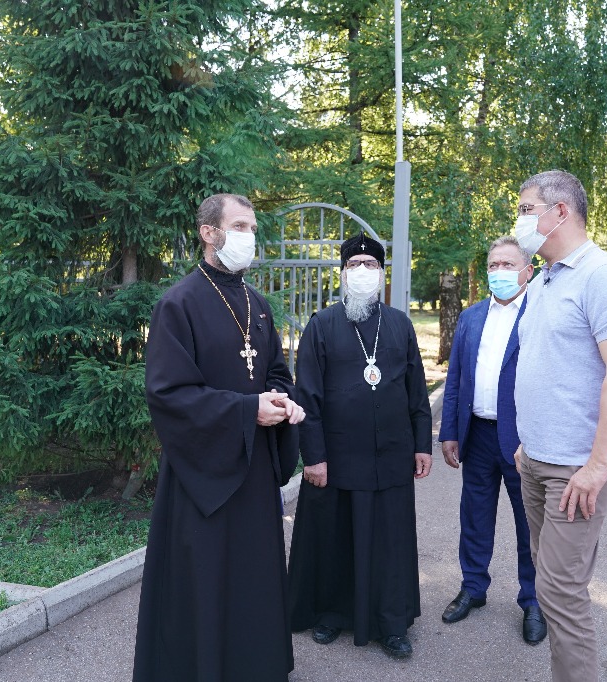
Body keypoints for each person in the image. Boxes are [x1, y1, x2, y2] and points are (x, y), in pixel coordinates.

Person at [133, 193, 305, 682]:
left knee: (253, 573)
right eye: (240, 226)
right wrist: (247, 410)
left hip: (253, 467)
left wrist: (282, 401)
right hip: (202, 471)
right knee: (206, 576)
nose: (250, 237)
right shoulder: (178, 303)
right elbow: (169, 393)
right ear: (209, 233)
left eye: (252, 228)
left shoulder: (257, 304)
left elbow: (275, 370)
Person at [512, 170, 607, 682]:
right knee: (552, 577)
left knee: (559, 591)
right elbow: (546, 365)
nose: (519, 221)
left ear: (560, 211)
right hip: (537, 459)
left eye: (526, 210)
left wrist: (596, 466)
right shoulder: (545, 278)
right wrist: (527, 444)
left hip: (578, 468)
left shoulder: (603, 275)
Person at [287, 231, 433, 659]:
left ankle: (391, 622)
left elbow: (416, 391)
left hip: (391, 455)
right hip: (338, 459)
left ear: (382, 273)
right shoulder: (322, 325)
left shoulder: (401, 324)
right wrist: (314, 457)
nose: (363, 271)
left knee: (389, 541)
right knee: (336, 538)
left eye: (370, 265)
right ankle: (332, 613)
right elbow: (307, 397)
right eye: (355, 265)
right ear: (343, 274)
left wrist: (422, 445)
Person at [438, 235, 546, 645]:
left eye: (508, 264)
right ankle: (473, 587)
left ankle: (533, 600)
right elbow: (455, 379)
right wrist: (450, 432)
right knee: (475, 516)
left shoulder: (540, 314)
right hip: (478, 435)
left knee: (529, 524)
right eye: (493, 265)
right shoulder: (471, 317)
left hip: (523, 440)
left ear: (527, 271)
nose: (499, 271)